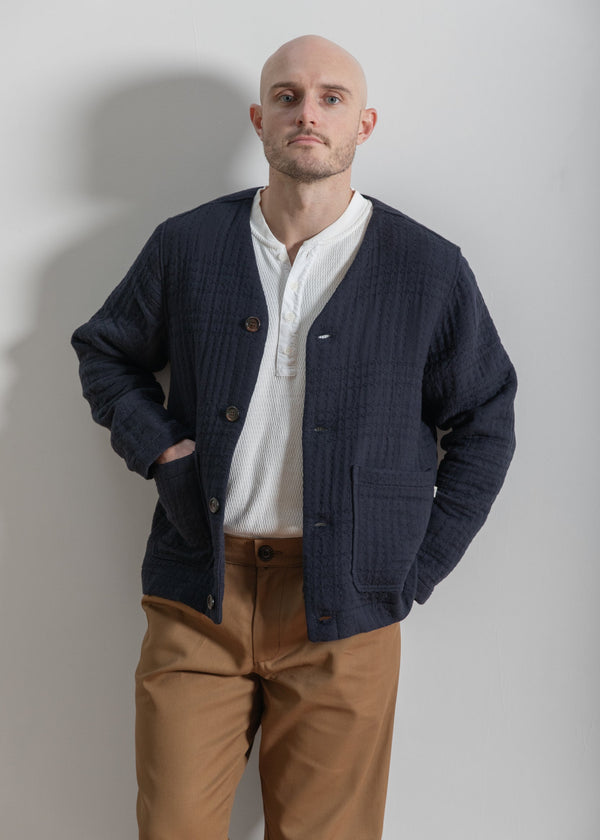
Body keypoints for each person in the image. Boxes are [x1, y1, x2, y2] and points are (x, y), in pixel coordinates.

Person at [72, 34, 517, 840]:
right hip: (198, 593)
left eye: (330, 97)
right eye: (286, 96)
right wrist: (163, 448)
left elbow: (486, 420)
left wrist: (414, 567)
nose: (306, 111)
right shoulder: (190, 245)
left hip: (347, 608)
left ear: (364, 123)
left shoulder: (427, 269)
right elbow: (105, 350)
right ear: (260, 118)